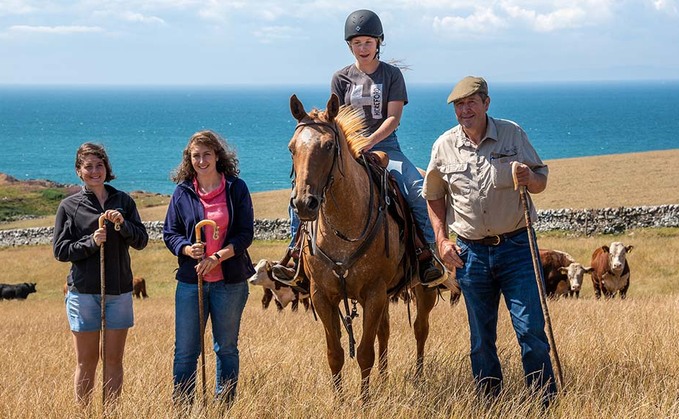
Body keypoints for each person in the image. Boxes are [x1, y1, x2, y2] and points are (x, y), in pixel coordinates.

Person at [272, 9, 445, 288]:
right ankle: (295, 257)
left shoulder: (392, 75)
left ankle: (428, 256)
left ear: (379, 42)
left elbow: (394, 117)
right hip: (347, 150)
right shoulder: (340, 78)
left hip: (386, 147)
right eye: (357, 43)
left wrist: (371, 141)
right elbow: (335, 119)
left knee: (417, 190)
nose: (363, 48)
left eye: (368, 42)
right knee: (300, 195)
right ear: (349, 45)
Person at [423, 76, 557, 405]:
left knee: (531, 332)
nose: (464, 110)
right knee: (481, 339)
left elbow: (540, 180)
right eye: (458, 105)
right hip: (471, 254)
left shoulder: (512, 134)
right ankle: (490, 405)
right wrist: (441, 240)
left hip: (517, 249)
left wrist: (530, 178)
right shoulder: (444, 145)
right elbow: (434, 195)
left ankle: (544, 404)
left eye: (471, 103)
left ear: (486, 103)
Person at [163, 130, 254, 408]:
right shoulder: (182, 192)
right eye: (195, 156)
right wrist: (187, 249)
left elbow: (244, 234)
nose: (201, 161)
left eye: (206, 154)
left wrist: (217, 257)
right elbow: (171, 232)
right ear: (189, 160)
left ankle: (224, 407)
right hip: (192, 283)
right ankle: (183, 408)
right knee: (186, 352)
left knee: (226, 349)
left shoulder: (236, 188)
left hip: (230, 283)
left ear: (217, 156)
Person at [53, 142, 149, 406]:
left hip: (119, 291)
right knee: (86, 361)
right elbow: (60, 251)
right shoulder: (69, 206)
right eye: (88, 166)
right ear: (78, 171)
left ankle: (112, 412)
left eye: (100, 165)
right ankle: (83, 412)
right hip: (83, 293)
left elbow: (141, 241)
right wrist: (91, 242)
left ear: (107, 168)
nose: (95, 171)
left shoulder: (124, 201)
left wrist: (123, 225)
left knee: (114, 360)